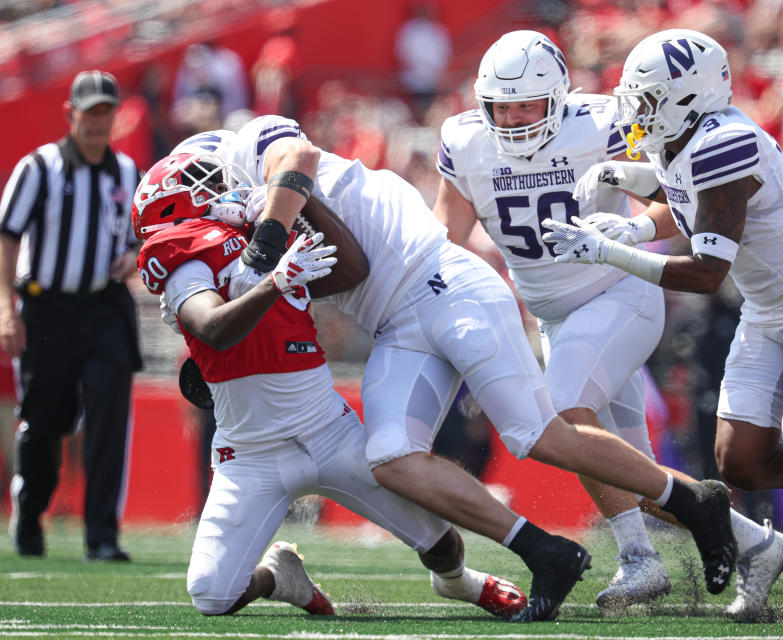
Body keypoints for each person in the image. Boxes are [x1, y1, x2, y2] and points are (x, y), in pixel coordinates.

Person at [218, 113, 738, 622]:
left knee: (535, 432)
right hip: (396, 323)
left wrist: (263, 249)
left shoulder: (261, 153)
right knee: (392, 457)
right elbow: (345, 267)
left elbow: (299, 155)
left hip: (444, 285)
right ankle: (545, 553)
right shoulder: (250, 208)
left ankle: (694, 502)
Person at [543, 29, 783, 624]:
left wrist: (606, 251)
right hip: (766, 303)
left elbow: (703, 272)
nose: (638, 112)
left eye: (648, 99)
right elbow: (679, 190)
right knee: (738, 463)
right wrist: (635, 210)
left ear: (690, 95)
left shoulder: (729, 144)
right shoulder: (686, 136)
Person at [433, 30, 783, 617]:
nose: (516, 118)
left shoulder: (602, 122)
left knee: (560, 419)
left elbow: (679, 193)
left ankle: (651, 556)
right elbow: (444, 235)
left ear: (559, 97)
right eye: (503, 105)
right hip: (553, 317)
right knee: (620, 460)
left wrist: (637, 228)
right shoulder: (464, 140)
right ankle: (744, 544)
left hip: (620, 292)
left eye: (529, 104)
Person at [131, 151, 528, 618]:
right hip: (250, 453)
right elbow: (215, 327)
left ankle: (461, 583)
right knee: (213, 594)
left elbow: (353, 268)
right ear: (176, 206)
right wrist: (273, 284)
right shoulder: (183, 260)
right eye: (208, 184)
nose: (227, 188)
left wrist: (305, 201)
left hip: (328, 431)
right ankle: (281, 578)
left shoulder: (261, 240)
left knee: (440, 542)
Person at [1, 70, 142, 561]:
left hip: (105, 306)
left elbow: (138, 237)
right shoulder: (39, 168)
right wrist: (5, 308)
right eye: (91, 111)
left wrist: (134, 257)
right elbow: (7, 234)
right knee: (45, 421)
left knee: (109, 417)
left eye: (107, 111)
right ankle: (31, 507)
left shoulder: (127, 172)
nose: (99, 121)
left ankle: (102, 535)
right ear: (71, 113)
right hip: (47, 308)